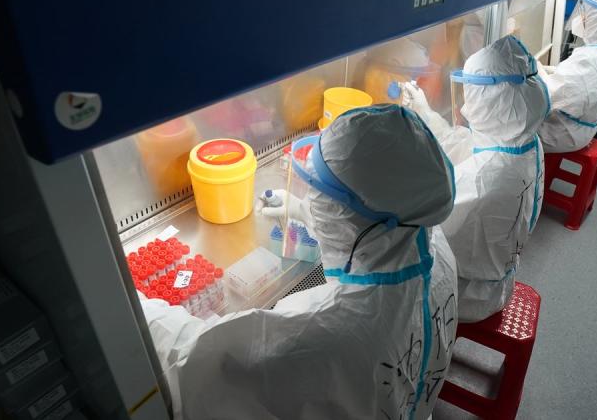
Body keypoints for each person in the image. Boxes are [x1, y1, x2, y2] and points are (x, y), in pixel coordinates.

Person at [140, 105, 459, 419]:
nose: (314, 199)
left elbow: (200, 360)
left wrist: (141, 310)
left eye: (321, 193)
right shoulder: (438, 250)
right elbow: (371, 229)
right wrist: (303, 212)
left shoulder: (323, 334)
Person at [401, 35, 549, 321]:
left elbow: (418, 224)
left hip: (463, 293)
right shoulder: (523, 144)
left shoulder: (485, 179)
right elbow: (465, 145)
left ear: (490, 98)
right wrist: (425, 114)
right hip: (496, 278)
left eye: (472, 91)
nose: (466, 100)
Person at [538, 0, 597, 153]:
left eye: (585, 15)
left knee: (502, 127)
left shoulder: (588, 59)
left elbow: (547, 96)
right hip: (584, 128)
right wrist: (548, 70)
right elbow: (576, 81)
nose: (581, 18)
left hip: (563, 133)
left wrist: (536, 68)